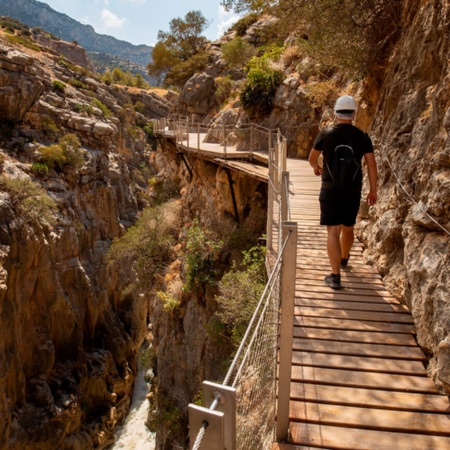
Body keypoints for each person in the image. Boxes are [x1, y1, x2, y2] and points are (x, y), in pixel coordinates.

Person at [308, 95, 378, 289]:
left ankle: (335, 275)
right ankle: (345, 258)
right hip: (352, 190)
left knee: (333, 230)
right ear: (354, 114)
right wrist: (373, 190)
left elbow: (312, 158)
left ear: (336, 112)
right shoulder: (362, 137)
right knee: (348, 227)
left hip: (330, 188)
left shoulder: (326, 134)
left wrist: (316, 167)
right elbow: (371, 165)